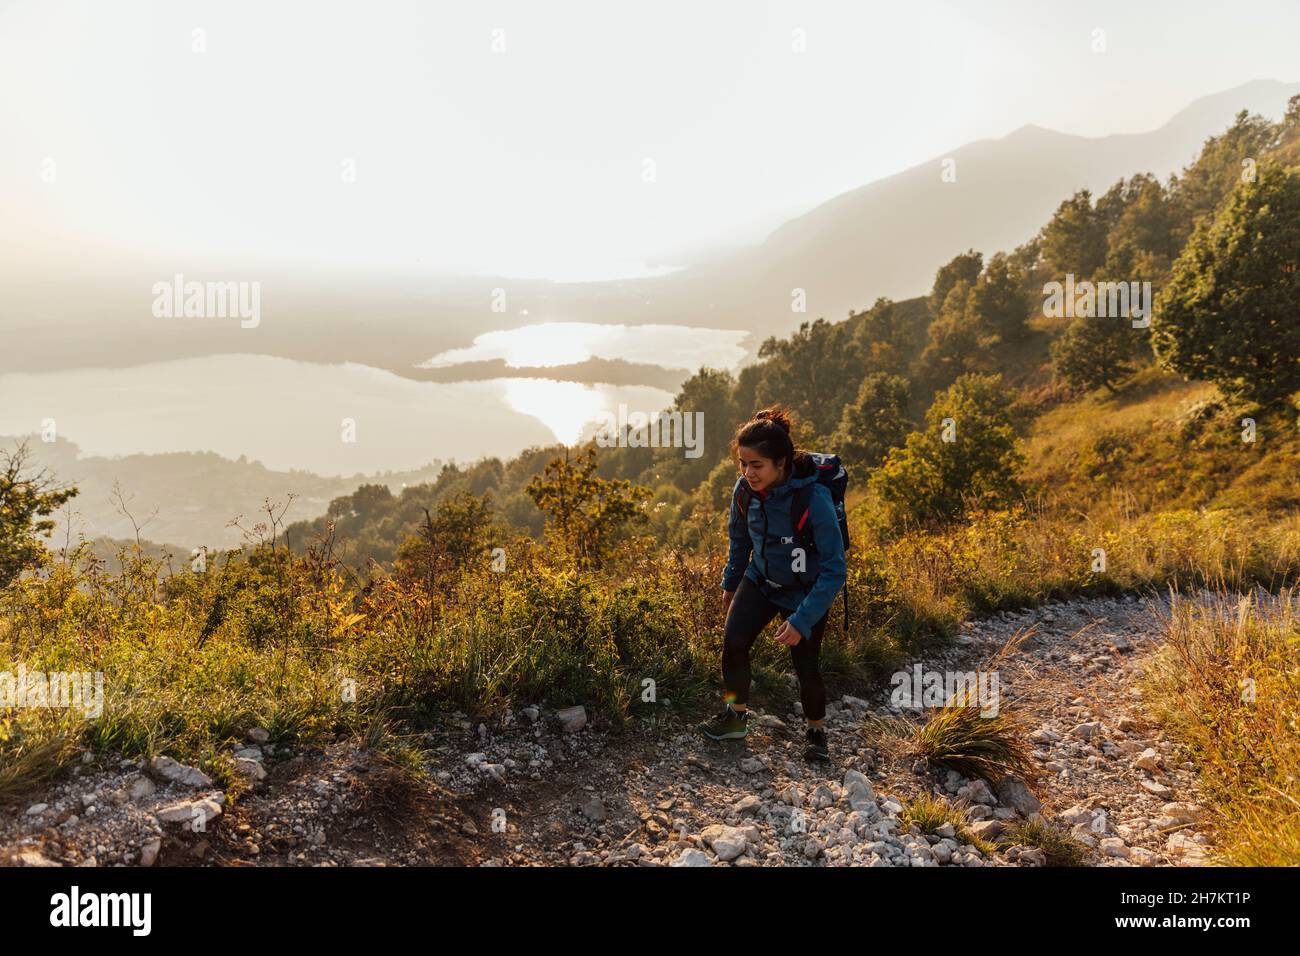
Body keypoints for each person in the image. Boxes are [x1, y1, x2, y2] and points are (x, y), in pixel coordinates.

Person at [697, 405, 847, 762]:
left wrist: (802, 619)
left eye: (756, 465)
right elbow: (739, 538)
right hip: (760, 579)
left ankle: (816, 732)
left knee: (805, 665)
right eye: (743, 464)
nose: (748, 472)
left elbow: (834, 570)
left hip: (804, 590)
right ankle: (736, 717)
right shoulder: (745, 491)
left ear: (782, 462)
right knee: (733, 643)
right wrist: (730, 583)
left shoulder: (814, 499)